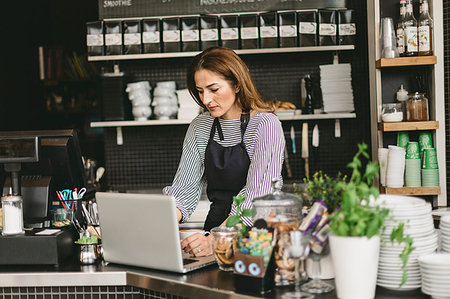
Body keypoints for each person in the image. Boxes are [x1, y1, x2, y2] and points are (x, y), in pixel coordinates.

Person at [163, 46, 285, 257]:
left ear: (237, 84)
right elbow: (185, 190)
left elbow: (257, 197)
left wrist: (219, 239)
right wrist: (156, 223)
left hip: (256, 239)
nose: (205, 100)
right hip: (215, 233)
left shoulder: (265, 125)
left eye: (213, 89)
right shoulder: (200, 127)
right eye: (200, 91)